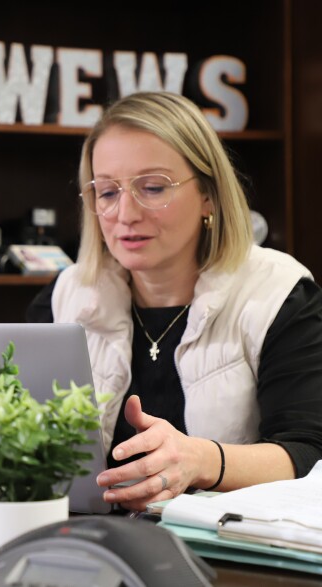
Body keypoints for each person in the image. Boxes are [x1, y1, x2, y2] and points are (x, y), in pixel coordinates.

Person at [26, 92, 322, 512]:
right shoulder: (62, 299)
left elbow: (310, 453)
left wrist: (204, 461)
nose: (125, 213)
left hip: (230, 555)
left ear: (208, 195)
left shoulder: (278, 294)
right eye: (107, 192)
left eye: (152, 187)